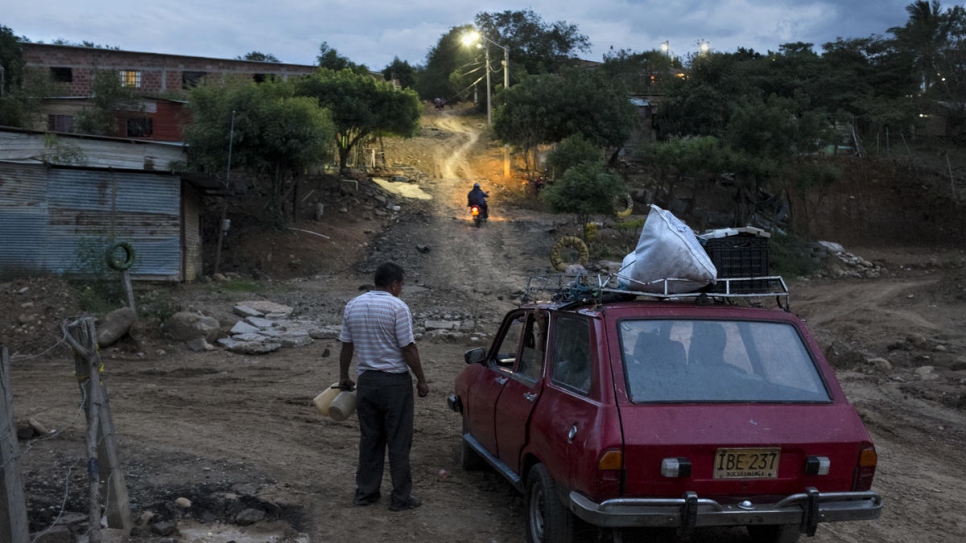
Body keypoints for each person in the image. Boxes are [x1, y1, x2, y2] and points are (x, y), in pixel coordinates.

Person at [338, 262, 430, 512]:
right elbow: (408, 348)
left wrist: (344, 376)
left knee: (370, 439)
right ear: (394, 284)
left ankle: (366, 493)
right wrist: (421, 380)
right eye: (401, 285)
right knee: (399, 441)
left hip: (366, 381)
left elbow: (346, 345)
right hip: (394, 384)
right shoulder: (397, 307)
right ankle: (400, 498)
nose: (401, 289)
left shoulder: (353, 305)